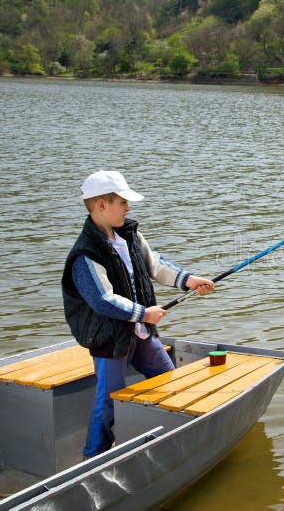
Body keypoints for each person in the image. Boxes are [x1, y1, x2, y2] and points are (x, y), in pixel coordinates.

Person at [61, 170, 215, 457]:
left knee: (167, 377)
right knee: (108, 403)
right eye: (122, 202)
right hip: (111, 341)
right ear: (101, 205)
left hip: (140, 333)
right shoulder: (84, 255)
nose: (128, 208)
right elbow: (102, 300)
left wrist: (189, 280)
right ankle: (93, 459)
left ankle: (165, 436)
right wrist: (144, 313)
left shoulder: (130, 235)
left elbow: (155, 264)